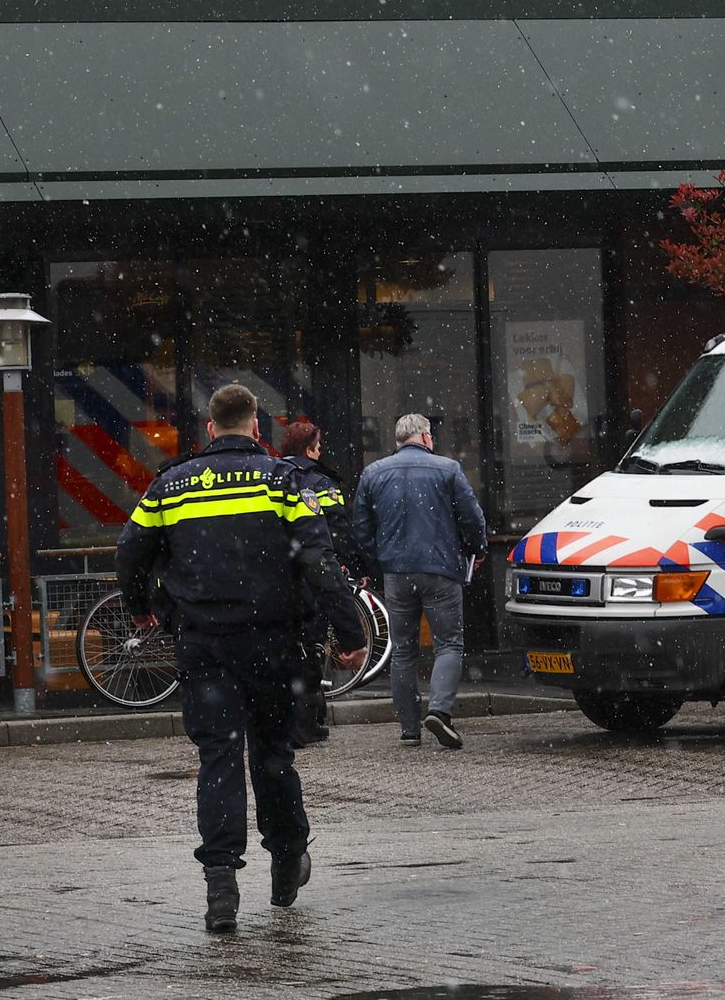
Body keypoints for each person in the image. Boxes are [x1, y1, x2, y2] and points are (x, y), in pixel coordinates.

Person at [116, 383, 366, 934]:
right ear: (257, 428)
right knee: (273, 757)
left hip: (204, 645)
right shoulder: (283, 481)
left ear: (209, 427)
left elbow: (131, 550)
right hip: (274, 643)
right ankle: (285, 859)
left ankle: (221, 885)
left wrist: (138, 607)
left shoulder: (171, 485)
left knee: (219, 761)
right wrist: (349, 632)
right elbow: (320, 561)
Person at [354, 412, 487, 751]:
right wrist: (476, 548)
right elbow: (471, 517)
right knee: (449, 644)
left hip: (397, 573)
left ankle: (409, 727)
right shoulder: (448, 470)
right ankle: (439, 712)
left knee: (402, 650)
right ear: (426, 437)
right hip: (440, 569)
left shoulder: (373, 473)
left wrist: (378, 562)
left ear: (398, 440)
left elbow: (362, 529)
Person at [279, 418, 375, 747]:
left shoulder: (273, 476)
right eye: (318, 447)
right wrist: (358, 564)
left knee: (286, 649)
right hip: (311, 575)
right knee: (311, 647)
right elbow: (338, 529)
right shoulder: (319, 483)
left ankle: (294, 721)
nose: (320, 452)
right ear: (309, 449)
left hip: (276, 578)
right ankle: (305, 725)